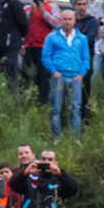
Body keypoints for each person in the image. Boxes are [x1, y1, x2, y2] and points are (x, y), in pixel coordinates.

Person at [42, 10, 90, 138]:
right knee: (56, 108)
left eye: (70, 19)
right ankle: (56, 137)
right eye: (64, 19)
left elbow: (86, 58)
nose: (67, 22)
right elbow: (46, 56)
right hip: (58, 76)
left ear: (74, 21)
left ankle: (75, 138)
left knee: (75, 108)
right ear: (60, 20)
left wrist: (81, 74)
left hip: (75, 76)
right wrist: (54, 72)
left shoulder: (82, 38)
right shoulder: (52, 37)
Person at [23, 0, 60, 105]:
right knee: (29, 76)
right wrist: (31, 13)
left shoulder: (52, 6)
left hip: (45, 47)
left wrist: (44, 12)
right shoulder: (27, 8)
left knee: (44, 77)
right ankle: (29, 101)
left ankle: (44, 102)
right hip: (29, 46)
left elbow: (57, 24)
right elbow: (22, 27)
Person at [71, 0, 100, 120]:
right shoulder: (71, 20)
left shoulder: (92, 21)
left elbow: (89, 39)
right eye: (79, 4)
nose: (81, 7)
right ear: (75, 6)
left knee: (85, 89)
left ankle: (85, 118)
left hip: (84, 60)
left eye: (84, 4)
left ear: (87, 6)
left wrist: (72, 42)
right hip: (70, 60)